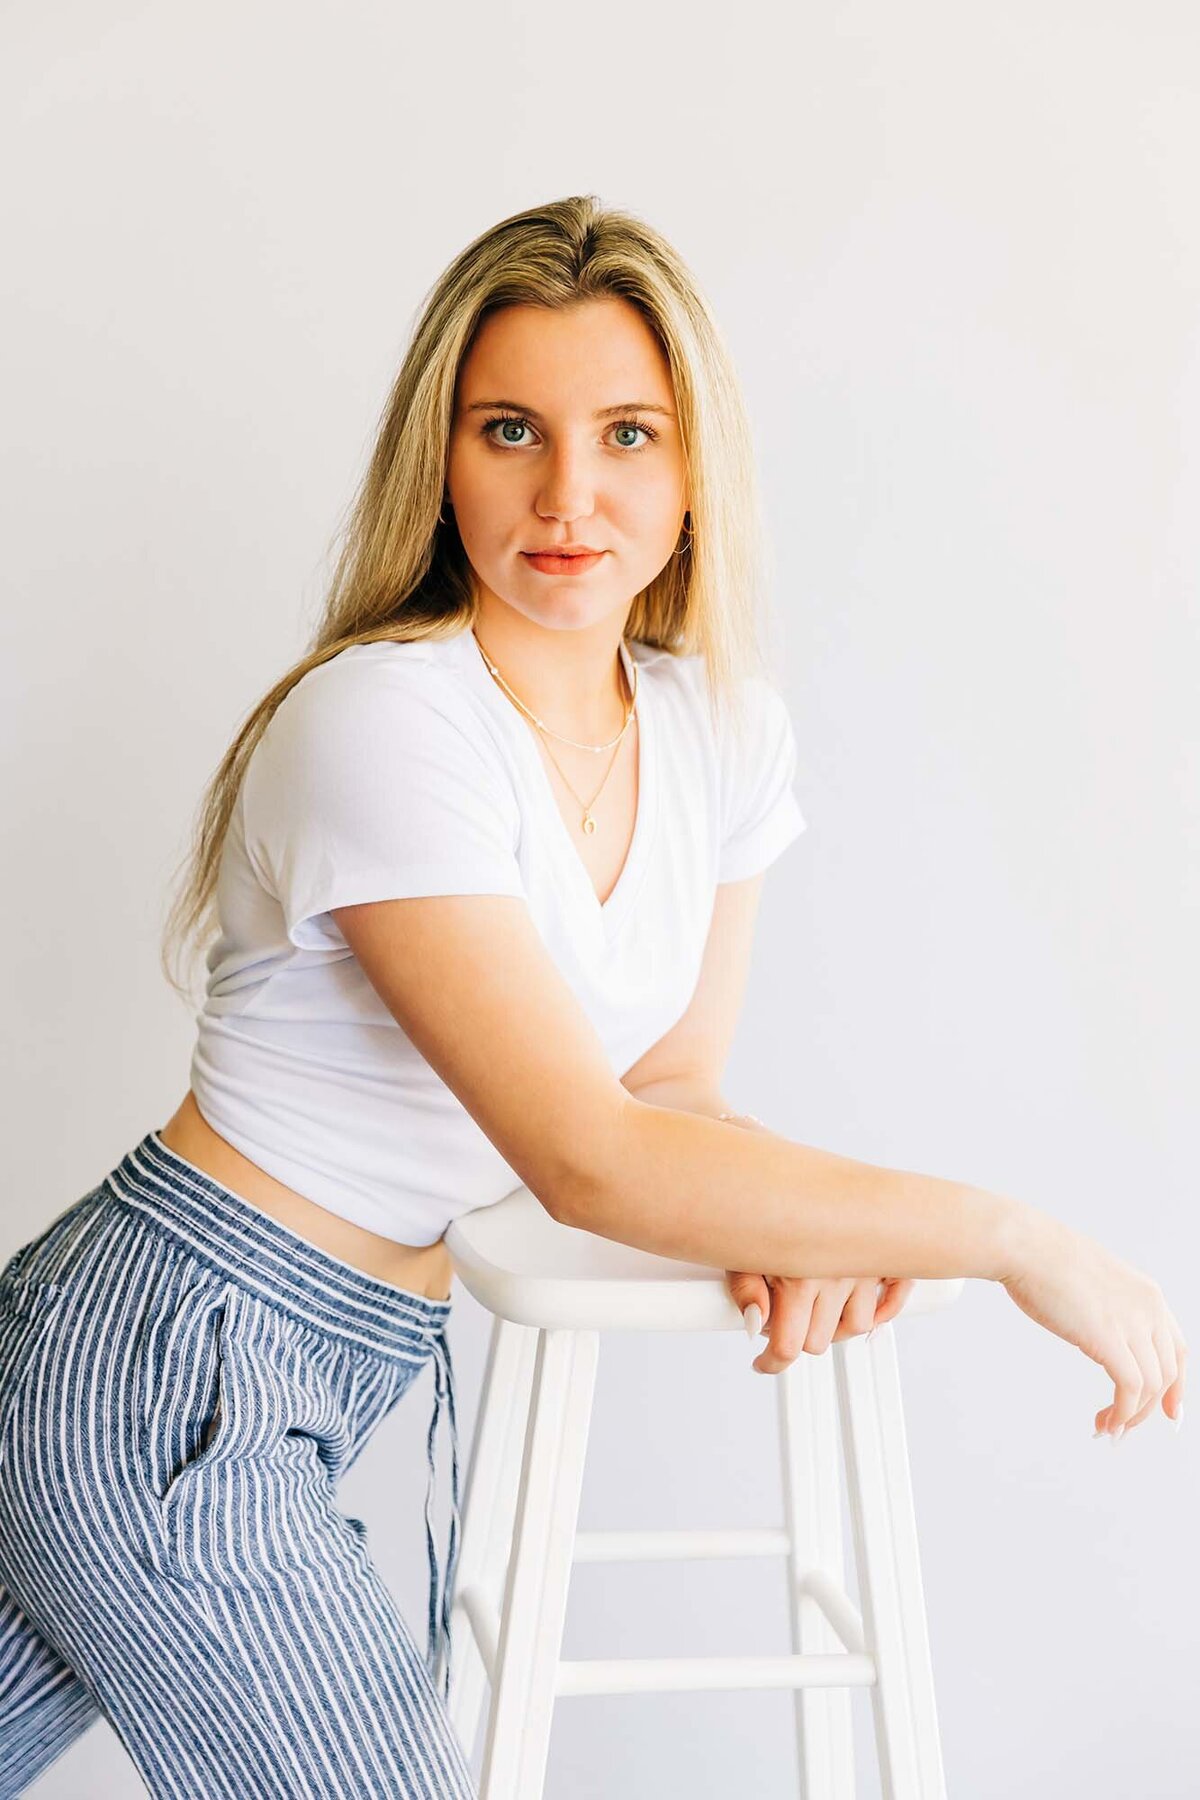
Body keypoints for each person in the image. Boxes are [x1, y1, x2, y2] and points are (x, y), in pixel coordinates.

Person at [0, 192, 1186, 1799]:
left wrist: (789, 1220)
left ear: (697, 477)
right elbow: (585, 1159)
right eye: (511, 431)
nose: (571, 493)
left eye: (628, 432)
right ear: (442, 457)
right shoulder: (389, 726)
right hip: (178, 1357)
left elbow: (670, 1091)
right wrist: (1005, 1235)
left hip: (313, 1369)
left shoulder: (719, 735)